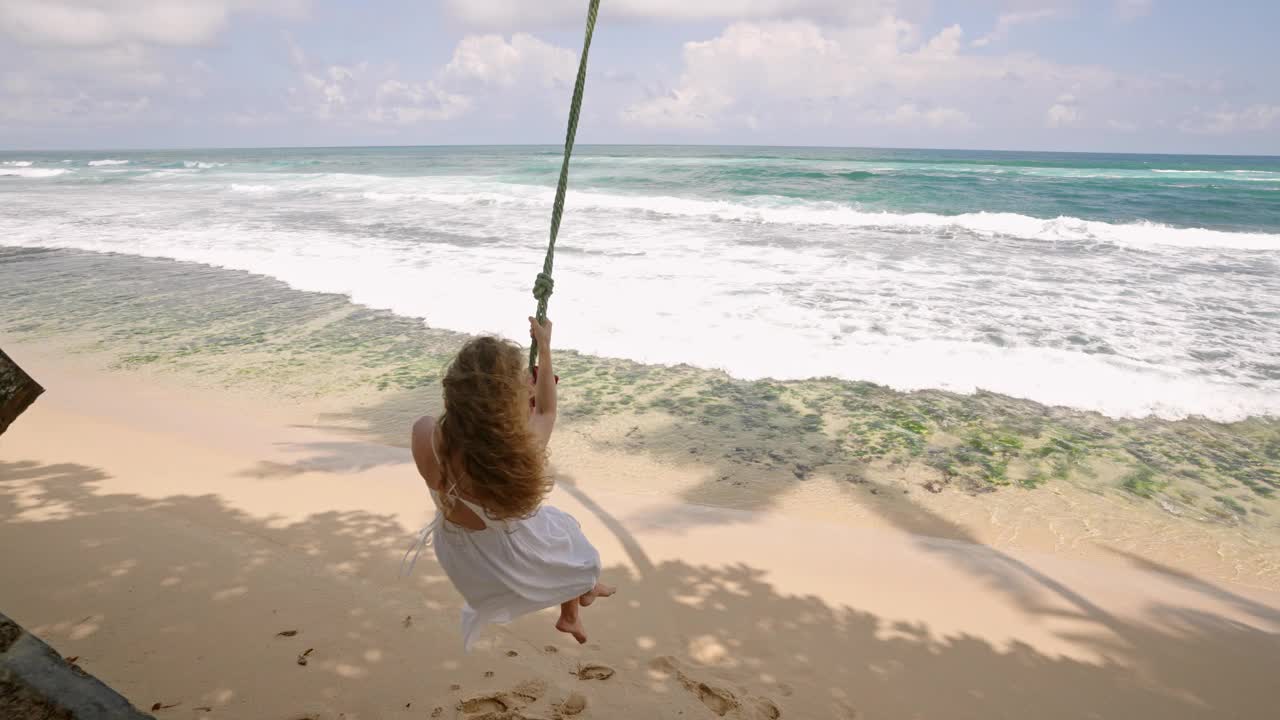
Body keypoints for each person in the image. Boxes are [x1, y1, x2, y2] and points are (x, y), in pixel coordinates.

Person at [401, 316, 615, 650]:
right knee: (578, 553)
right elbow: (545, 410)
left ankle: (573, 610)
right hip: (506, 552)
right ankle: (582, 594)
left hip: (464, 556)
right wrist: (544, 347)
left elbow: (445, 427)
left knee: (567, 548)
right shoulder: (518, 458)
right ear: (513, 402)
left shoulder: (425, 437)